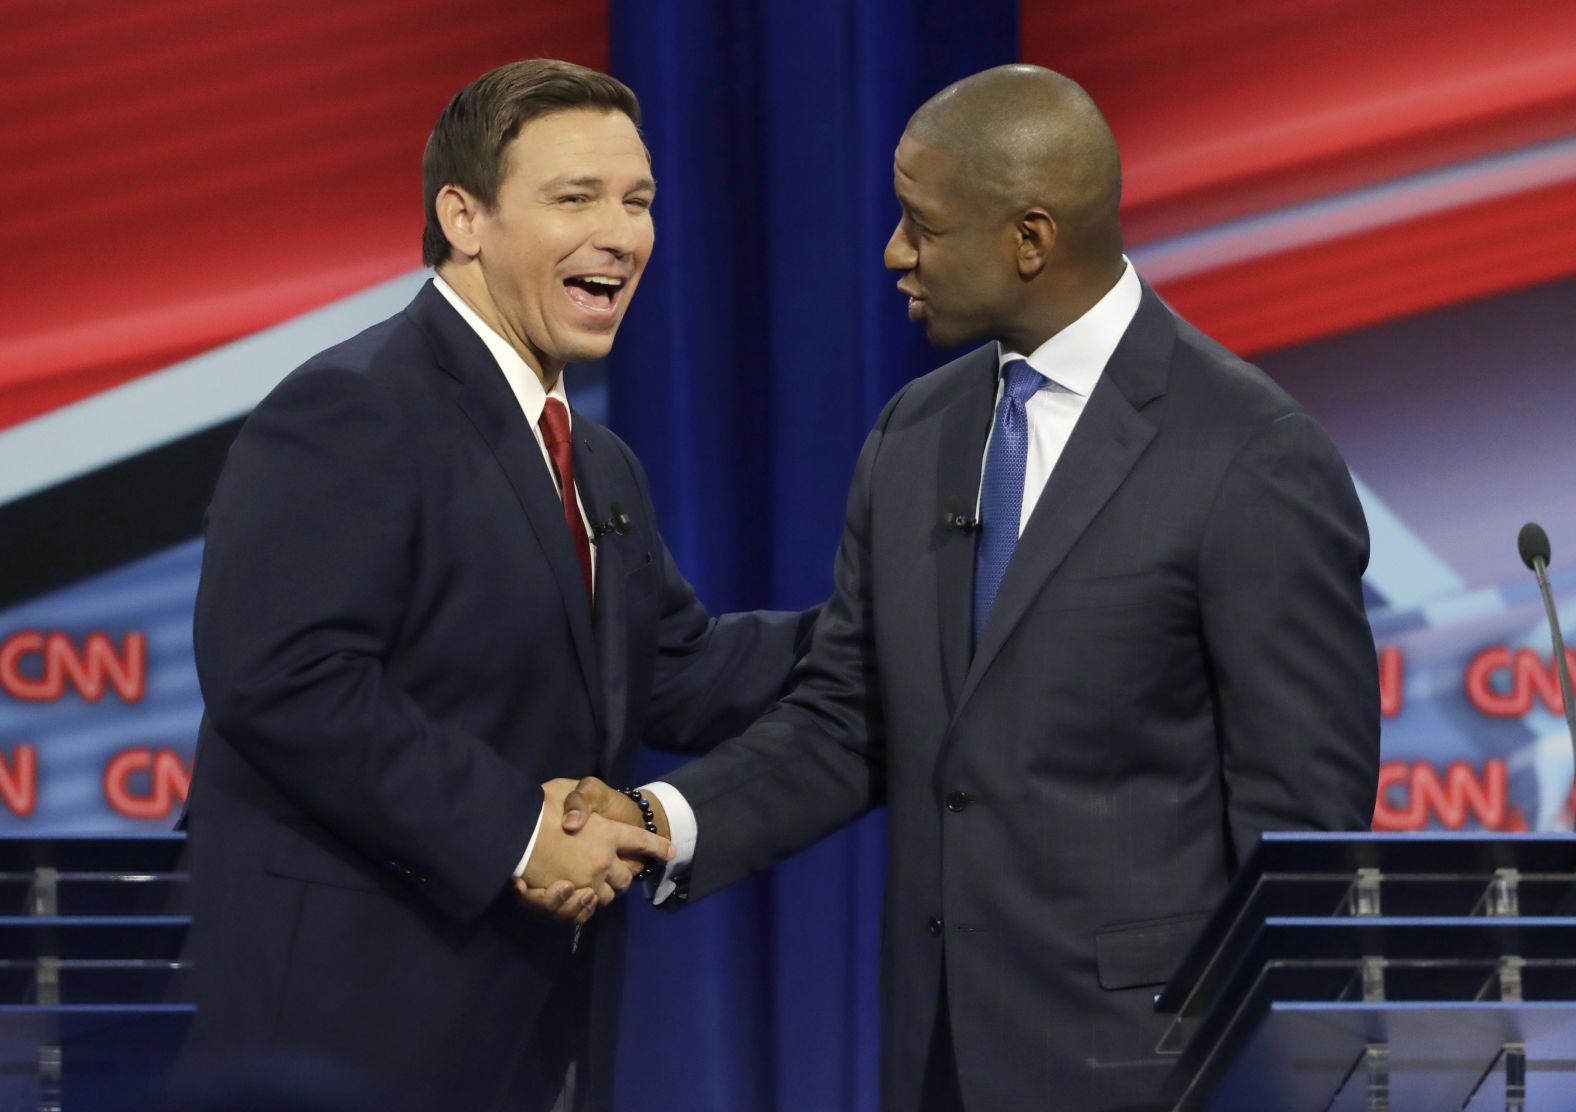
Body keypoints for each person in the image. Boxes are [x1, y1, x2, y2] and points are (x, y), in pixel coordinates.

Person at [566, 65, 1380, 1110]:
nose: (895, 253)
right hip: (937, 1053)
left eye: (922, 224)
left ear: (1029, 239)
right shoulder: (916, 431)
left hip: (1156, 1066)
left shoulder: (1247, 453)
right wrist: (657, 821)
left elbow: (1302, 828)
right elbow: (849, 714)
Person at [179, 59, 811, 1112]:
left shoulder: (593, 456)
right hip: (343, 1023)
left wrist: (902, 614)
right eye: (577, 198)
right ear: (463, 218)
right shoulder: (353, 407)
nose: (621, 232)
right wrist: (519, 828)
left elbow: (679, 672)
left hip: (516, 1017)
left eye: (639, 200)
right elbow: (283, 676)